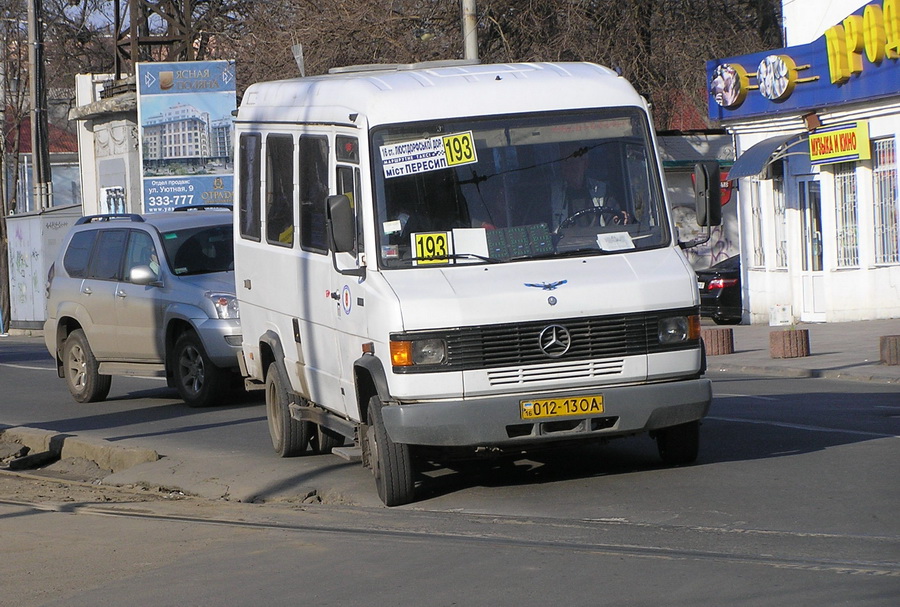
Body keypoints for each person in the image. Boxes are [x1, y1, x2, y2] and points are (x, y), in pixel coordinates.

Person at [550, 143, 628, 230]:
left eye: (574, 161)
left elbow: (613, 222)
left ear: (585, 164)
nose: (570, 166)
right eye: (566, 162)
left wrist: (619, 220)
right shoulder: (551, 194)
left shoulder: (602, 190)